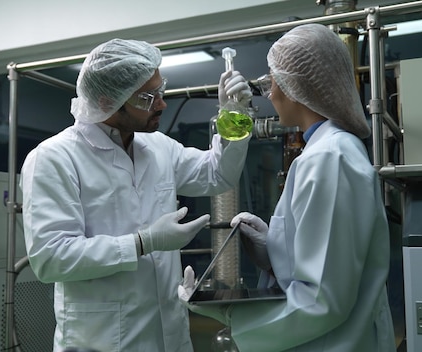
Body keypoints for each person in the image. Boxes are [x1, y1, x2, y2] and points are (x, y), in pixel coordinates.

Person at [20, 38, 253, 352]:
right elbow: (51, 259)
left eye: (160, 91)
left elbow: (217, 174)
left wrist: (234, 118)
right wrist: (143, 243)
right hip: (102, 341)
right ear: (106, 101)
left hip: (170, 335)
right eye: (147, 98)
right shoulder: (55, 158)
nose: (161, 104)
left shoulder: (157, 147)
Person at [179, 23, 396, 351]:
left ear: (297, 86)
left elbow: (320, 300)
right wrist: (274, 252)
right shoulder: (325, 152)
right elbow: (328, 261)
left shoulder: (329, 158)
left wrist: (225, 311)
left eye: (271, 81)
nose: (270, 93)